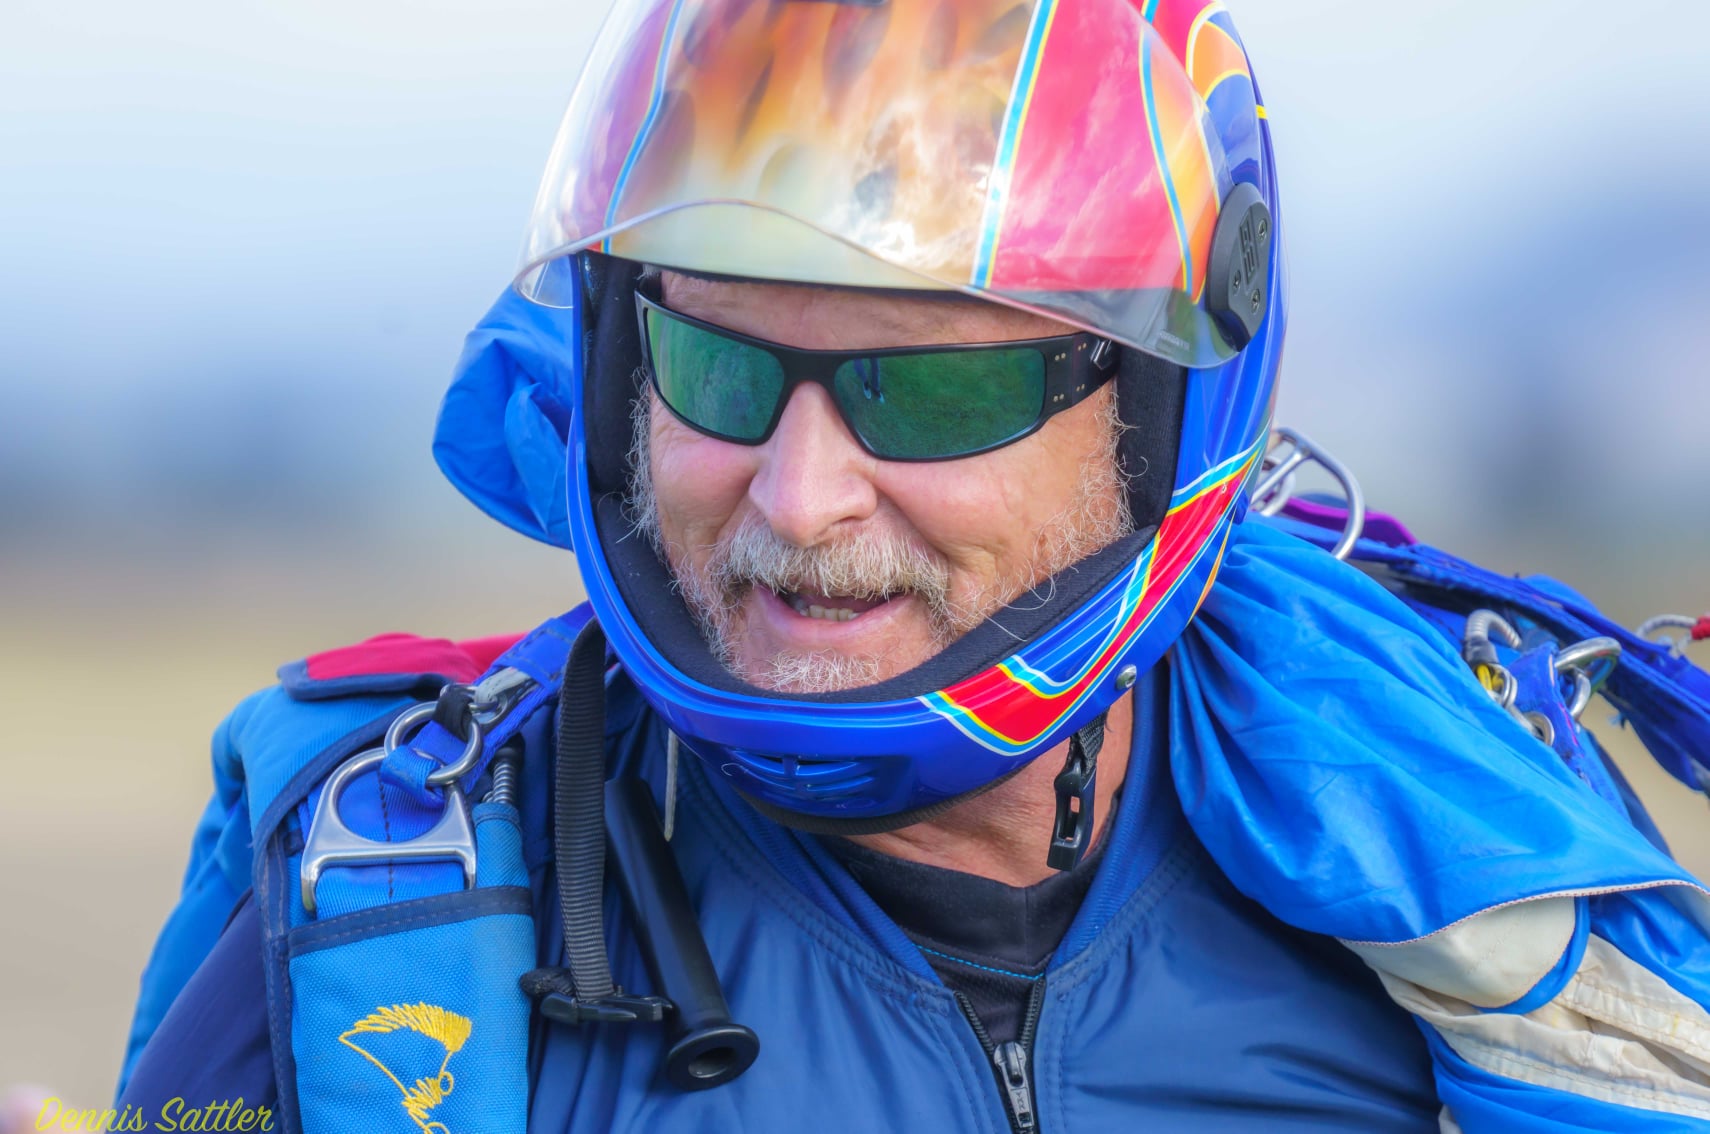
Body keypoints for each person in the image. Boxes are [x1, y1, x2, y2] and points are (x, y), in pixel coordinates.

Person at [110, 1, 1710, 1131]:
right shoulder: (380, 899)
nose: (800, 501)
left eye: (930, 390)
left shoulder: (1477, 863)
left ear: (1154, 419)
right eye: (722, 373)